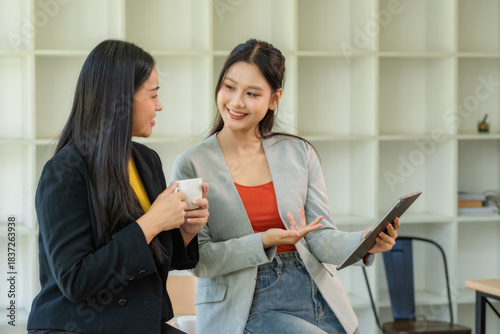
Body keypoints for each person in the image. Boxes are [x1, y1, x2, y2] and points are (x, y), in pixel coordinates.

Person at [172, 39, 400, 334]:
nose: (236, 101)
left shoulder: (298, 152)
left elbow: (320, 237)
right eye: (229, 87)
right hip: (246, 307)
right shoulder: (192, 163)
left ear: (274, 99)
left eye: (252, 93)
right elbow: (200, 260)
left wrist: (365, 241)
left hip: (316, 291)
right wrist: (264, 240)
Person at [27, 39, 209, 334]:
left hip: (137, 323)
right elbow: (76, 280)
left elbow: (151, 259)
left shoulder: (146, 160)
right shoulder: (64, 172)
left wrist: (186, 231)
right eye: (153, 95)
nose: (159, 105)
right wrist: (152, 222)